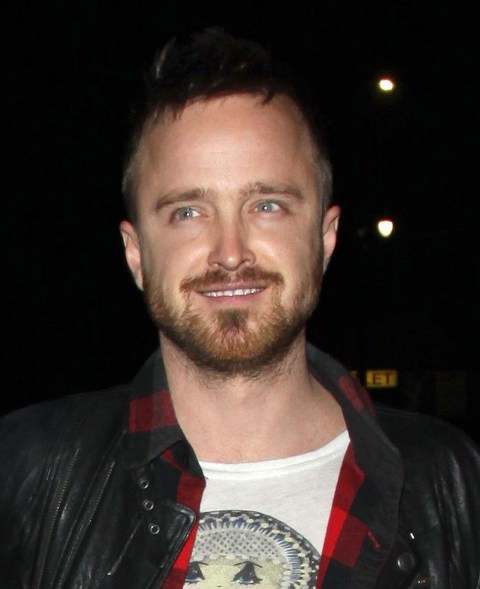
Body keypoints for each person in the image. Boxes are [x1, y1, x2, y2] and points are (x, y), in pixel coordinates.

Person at [1, 29, 479, 589]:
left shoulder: (454, 482)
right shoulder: (23, 471)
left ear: (325, 237)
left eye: (267, 205)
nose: (230, 252)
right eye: (188, 212)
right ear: (136, 254)